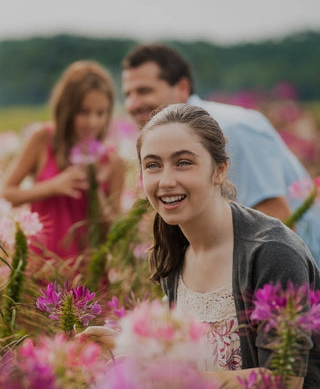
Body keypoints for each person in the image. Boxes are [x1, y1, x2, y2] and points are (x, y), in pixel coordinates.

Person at [136, 103, 320, 388]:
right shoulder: (173, 247)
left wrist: (176, 379)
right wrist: (127, 347)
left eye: (183, 162)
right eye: (152, 165)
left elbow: (285, 380)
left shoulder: (273, 253)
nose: (166, 181)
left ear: (219, 170)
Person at [121, 43, 320, 266]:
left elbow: (277, 218)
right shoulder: (167, 140)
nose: (133, 104)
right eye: (127, 94)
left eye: (144, 91)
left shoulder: (235, 128)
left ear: (182, 88)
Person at [1, 60, 125, 260]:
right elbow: (6, 193)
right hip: (39, 264)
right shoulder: (43, 139)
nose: (93, 121)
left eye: (101, 113)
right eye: (84, 111)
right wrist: (54, 186)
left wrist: (95, 187)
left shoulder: (112, 161)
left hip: (86, 272)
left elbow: (114, 233)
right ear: (67, 108)